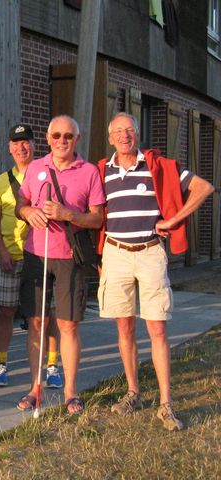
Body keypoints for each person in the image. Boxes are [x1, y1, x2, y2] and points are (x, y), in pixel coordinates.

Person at [97, 112, 214, 431]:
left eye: (130, 130)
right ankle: (133, 392)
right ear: (110, 139)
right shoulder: (101, 171)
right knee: (124, 329)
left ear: (137, 134)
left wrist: (174, 220)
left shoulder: (158, 166)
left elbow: (204, 188)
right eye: (118, 131)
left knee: (158, 329)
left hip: (150, 253)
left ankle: (166, 403)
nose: (124, 136)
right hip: (116, 253)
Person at [15, 115, 105, 415]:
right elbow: (20, 204)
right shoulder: (36, 168)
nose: (62, 141)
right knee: (36, 323)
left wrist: (68, 214)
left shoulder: (89, 172)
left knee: (68, 325)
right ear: (48, 138)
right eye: (57, 136)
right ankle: (34, 387)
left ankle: (70, 391)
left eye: (68, 136)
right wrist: (28, 212)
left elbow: (97, 218)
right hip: (36, 254)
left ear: (76, 139)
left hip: (69, 258)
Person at [0, 124, 62, 389]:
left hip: (41, 256)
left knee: (46, 314)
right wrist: (1, 251)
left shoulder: (47, 173)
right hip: (10, 256)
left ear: (34, 144)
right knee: (5, 311)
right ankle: (1, 364)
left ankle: (52, 365)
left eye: (26, 142)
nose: (22, 148)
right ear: (9, 148)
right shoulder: (1, 181)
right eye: (16, 143)